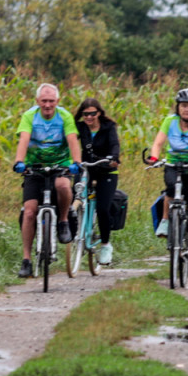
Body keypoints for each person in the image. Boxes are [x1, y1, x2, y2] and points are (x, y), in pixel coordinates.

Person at [13, 83, 83, 278]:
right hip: (34, 167)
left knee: (62, 185)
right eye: (44, 101)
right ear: (37, 102)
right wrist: (19, 161)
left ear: (57, 102)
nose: (47, 105)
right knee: (29, 212)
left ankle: (62, 221)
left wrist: (76, 162)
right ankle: (26, 259)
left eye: (51, 101)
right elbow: (24, 139)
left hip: (60, 165)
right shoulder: (29, 116)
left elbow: (72, 140)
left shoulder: (65, 117)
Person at [148, 88, 188, 278]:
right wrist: (154, 156)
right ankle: (166, 220)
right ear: (178, 107)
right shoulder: (170, 121)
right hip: (174, 164)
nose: (187, 109)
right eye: (184, 106)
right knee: (170, 186)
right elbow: (159, 142)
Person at [73, 98, 121, 265]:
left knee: (102, 208)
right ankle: (74, 231)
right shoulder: (80, 128)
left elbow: (115, 145)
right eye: (85, 114)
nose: (89, 117)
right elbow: (69, 141)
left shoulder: (108, 127)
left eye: (92, 113)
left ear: (99, 113)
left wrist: (113, 158)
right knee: (74, 195)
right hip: (86, 169)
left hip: (106, 169)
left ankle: (106, 244)